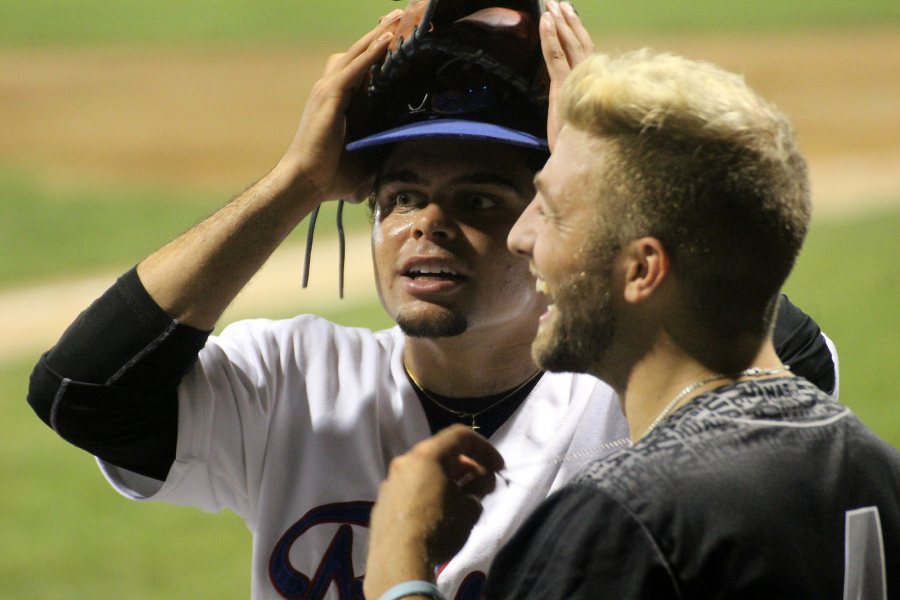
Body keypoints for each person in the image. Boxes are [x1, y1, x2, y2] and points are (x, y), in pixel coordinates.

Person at [27, 3, 838, 599]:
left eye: (480, 200)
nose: (427, 227)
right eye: (401, 196)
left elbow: (780, 379)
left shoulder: (626, 388)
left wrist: (606, 167)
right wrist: (296, 183)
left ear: (548, 220)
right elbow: (82, 394)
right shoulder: (294, 379)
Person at [363, 48, 900, 600]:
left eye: (550, 211)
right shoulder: (876, 468)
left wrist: (400, 564)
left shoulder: (625, 520)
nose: (522, 239)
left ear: (642, 270)